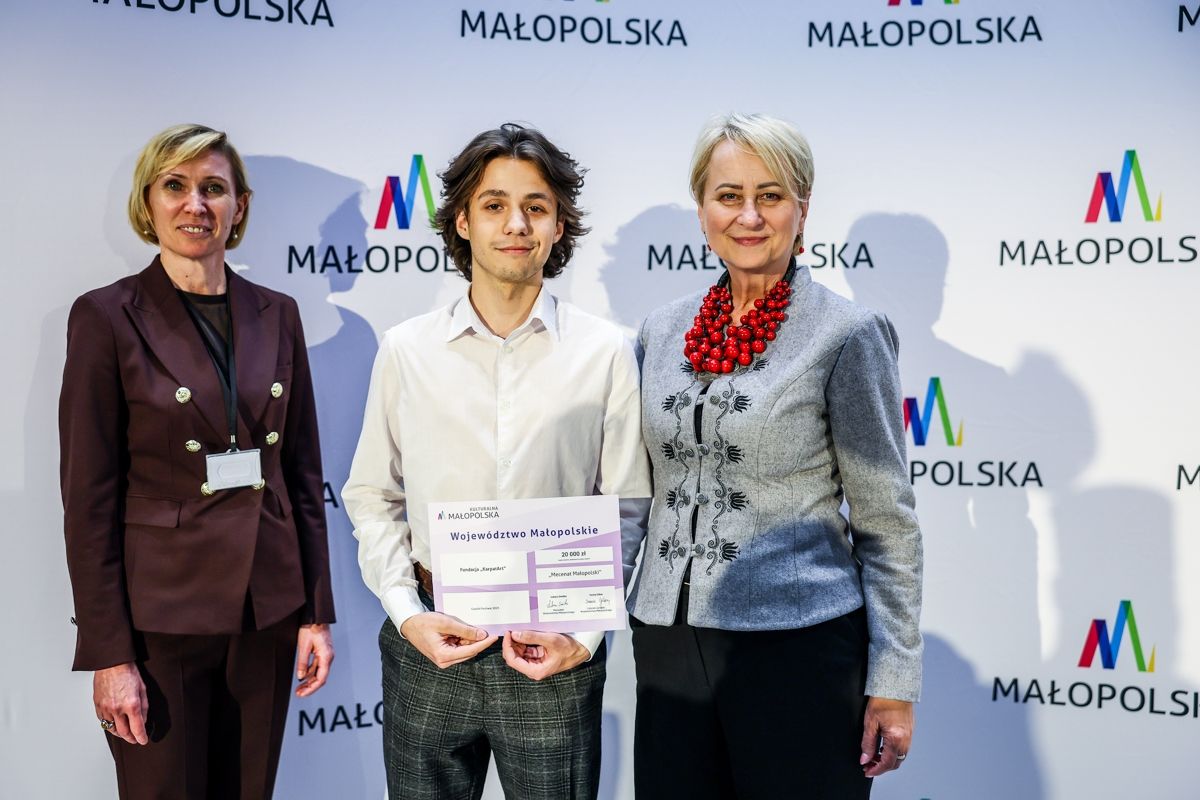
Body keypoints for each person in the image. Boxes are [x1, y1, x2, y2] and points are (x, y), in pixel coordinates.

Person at [343, 123, 650, 800]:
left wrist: (584, 636)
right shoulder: (406, 350)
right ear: (463, 220)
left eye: (536, 207)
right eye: (494, 205)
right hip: (430, 640)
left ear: (559, 225)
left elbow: (629, 505)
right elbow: (371, 494)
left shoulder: (606, 351)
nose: (516, 224)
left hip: (554, 645)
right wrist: (406, 611)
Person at [628, 112, 923, 799]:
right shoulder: (661, 332)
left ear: (802, 208)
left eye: (771, 195)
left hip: (800, 646)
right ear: (702, 209)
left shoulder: (846, 334)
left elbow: (887, 522)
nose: (750, 216)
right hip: (669, 643)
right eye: (729, 195)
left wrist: (894, 680)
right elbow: (636, 489)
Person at [60, 123, 336, 799]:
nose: (196, 204)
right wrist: (110, 654)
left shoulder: (279, 313)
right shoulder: (107, 316)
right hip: (161, 622)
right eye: (176, 186)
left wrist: (314, 612)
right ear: (147, 203)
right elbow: (88, 500)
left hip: (267, 608)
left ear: (240, 206)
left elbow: (301, 474)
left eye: (214, 188)